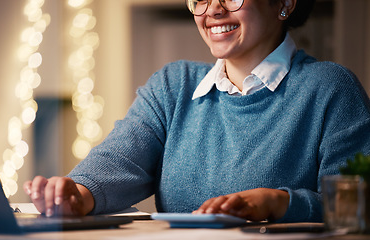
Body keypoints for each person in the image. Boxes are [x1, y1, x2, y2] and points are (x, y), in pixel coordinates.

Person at [24, 0, 370, 222]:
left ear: (285, 3)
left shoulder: (331, 88)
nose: (213, 10)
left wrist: (278, 203)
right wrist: (78, 195)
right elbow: (119, 160)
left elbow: (357, 204)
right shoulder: (174, 85)